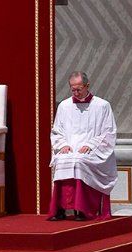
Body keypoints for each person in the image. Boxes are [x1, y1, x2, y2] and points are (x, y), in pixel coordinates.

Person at [48, 71, 117, 221]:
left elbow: (108, 132)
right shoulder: (64, 106)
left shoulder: (102, 105)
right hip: (70, 148)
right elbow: (57, 131)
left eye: (79, 89)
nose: (76, 93)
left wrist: (91, 145)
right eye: (72, 89)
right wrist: (63, 145)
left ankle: (82, 210)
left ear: (87, 86)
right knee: (62, 160)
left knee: (79, 161)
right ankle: (60, 209)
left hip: (93, 149)